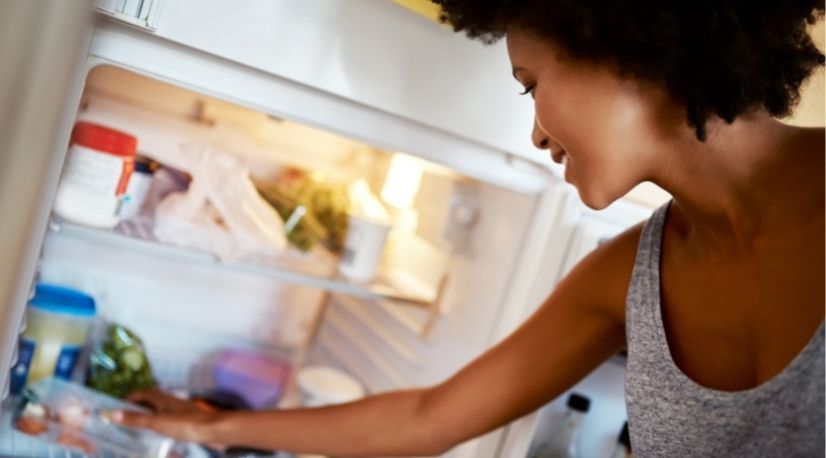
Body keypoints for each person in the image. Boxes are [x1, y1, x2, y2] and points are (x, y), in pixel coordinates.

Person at [109, 1, 825, 456]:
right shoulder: (629, 275)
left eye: (531, 84)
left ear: (625, 41)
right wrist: (210, 426)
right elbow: (431, 416)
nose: (538, 132)